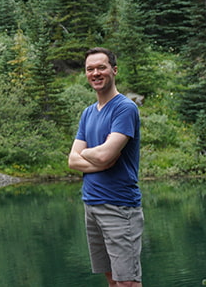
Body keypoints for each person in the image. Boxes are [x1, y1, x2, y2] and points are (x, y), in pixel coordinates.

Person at [68, 47, 143, 287]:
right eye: (90, 69)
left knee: (127, 282)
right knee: (111, 279)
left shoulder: (125, 108)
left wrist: (91, 154)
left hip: (119, 206)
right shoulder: (88, 113)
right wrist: (98, 155)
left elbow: (107, 155)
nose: (95, 73)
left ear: (114, 70)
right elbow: (73, 160)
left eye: (102, 67)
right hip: (91, 204)